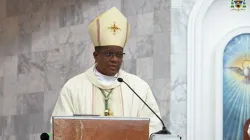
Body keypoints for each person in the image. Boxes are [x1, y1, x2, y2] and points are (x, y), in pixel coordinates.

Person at [51, 6, 162, 135]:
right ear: (96, 56)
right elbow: (60, 132)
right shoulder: (73, 88)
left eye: (119, 54)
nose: (115, 59)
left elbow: (155, 129)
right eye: (109, 54)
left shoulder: (139, 88)